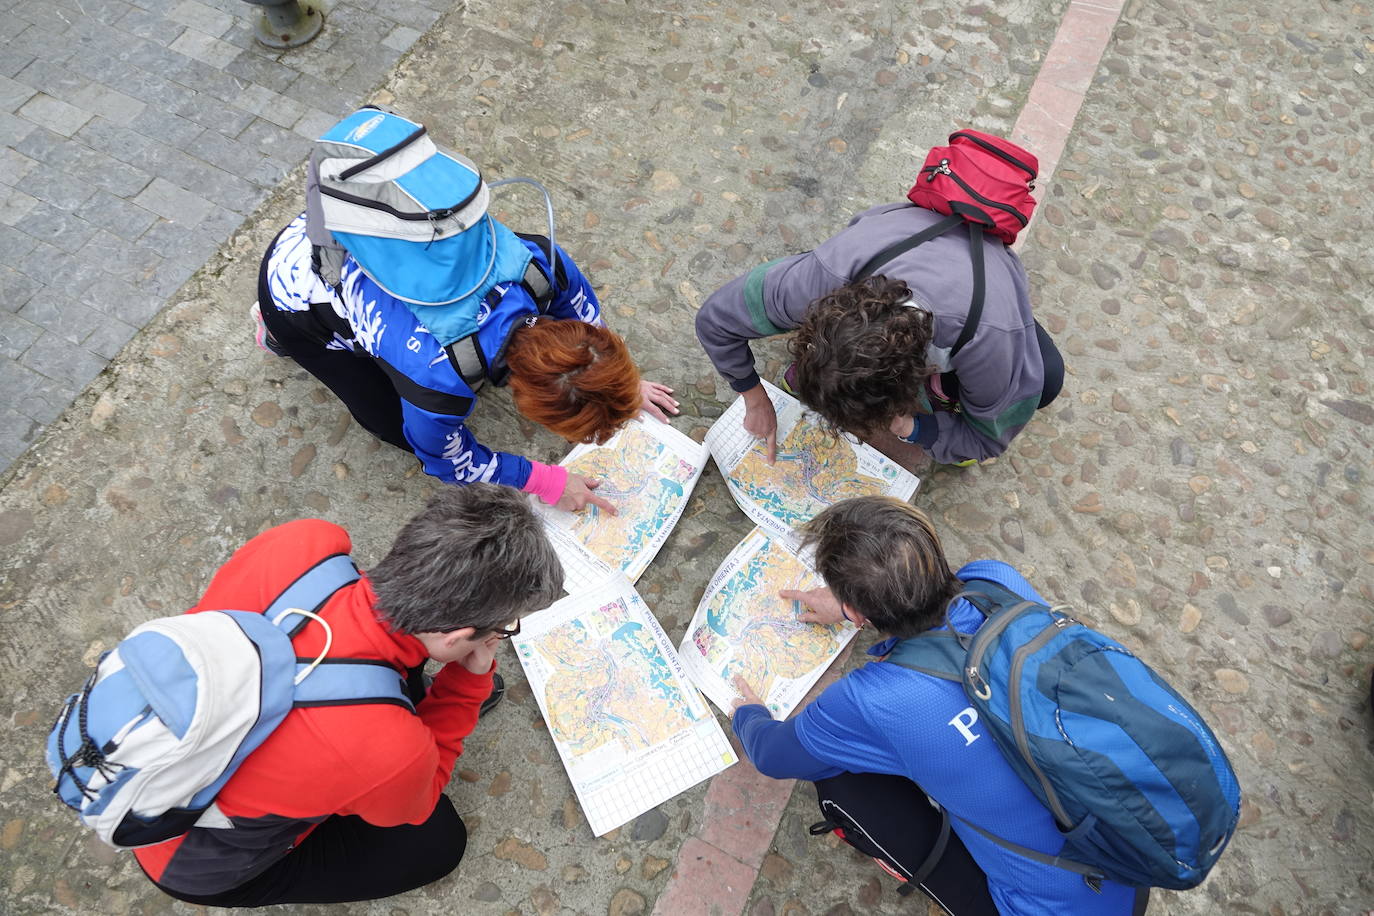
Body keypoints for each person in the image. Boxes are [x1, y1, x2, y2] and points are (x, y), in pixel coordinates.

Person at [134, 484, 563, 907]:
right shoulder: (393, 753)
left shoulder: (307, 541)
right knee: (438, 840)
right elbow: (420, 798)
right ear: (457, 637)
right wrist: (467, 685)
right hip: (192, 862)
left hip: (152, 754)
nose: (501, 635)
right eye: (504, 627)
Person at [730, 497, 1143, 915]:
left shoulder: (871, 700)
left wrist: (748, 714)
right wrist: (859, 606)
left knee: (841, 782)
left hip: (1043, 908)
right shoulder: (996, 581)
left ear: (855, 614)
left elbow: (772, 755)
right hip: (1134, 846)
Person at [255, 142, 678, 515]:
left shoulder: (543, 266)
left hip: (363, 224)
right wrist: (547, 482)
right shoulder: (438, 384)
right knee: (389, 423)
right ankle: (274, 334)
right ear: (525, 402)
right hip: (299, 284)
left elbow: (590, 332)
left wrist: (618, 388)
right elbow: (446, 460)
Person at [694, 202, 1064, 465]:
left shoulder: (991, 341)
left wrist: (911, 427)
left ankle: (942, 398)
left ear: (914, 383)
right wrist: (755, 397)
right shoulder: (821, 277)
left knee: (1047, 379)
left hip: (985, 298)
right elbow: (714, 319)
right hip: (893, 251)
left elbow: (985, 439)